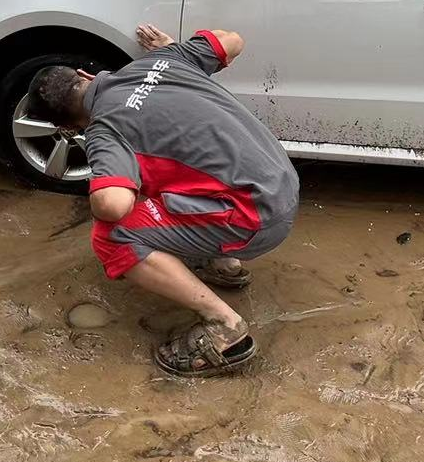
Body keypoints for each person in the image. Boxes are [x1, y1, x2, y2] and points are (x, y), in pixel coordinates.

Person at [24, 24, 299, 377]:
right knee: (168, 172)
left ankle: (225, 327)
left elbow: (113, 205)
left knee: (113, 234)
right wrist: (171, 47)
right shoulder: (163, 59)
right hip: (284, 184)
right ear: (84, 74)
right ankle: (223, 265)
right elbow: (233, 40)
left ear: (68, 127)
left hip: (257, 216)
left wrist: (104, 180)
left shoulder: (103, 131)